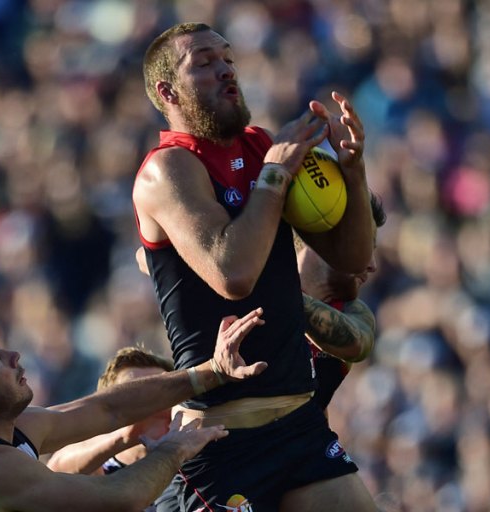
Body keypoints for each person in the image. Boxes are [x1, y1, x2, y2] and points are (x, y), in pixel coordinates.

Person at [132, 22, 377, 511]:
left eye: (227, 59)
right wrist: (275, 173)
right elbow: (233, 275)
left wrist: (353, 170)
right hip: (225, 439)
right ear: (167, 91)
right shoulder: (167, 169)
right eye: (203, 63)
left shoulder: (258, 146)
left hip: (299, 423)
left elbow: (350, 258)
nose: (225, 70)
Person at [0, 308, 267, 512]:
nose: (14, 356)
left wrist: (211, 372)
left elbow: (108, 408)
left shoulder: (3, 426)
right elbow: (119, 497)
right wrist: (175, 448)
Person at [298, 193, 387, 412]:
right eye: (366, 246)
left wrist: (275, 294)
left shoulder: (353, 313)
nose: (373, 265)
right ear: (325, 239)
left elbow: (356, 343)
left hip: (307, 444)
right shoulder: (245, 293)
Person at [46, 347, 175, 475]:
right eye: (133, 393)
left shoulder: (190, 456)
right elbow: (55, 469)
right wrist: (127, 435)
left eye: (160, 390)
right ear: (108, 407)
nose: (150, 402)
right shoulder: (99, 468)